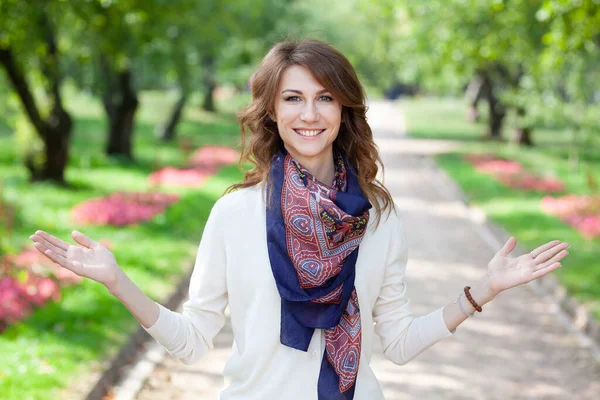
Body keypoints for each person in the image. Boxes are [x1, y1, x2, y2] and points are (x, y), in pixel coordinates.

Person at [29, 39, 570, 400]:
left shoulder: (379, 217)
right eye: (292, 98)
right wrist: (117, 280)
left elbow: (399, 343)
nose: (308, 114)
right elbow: (194, 339)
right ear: (272, 111)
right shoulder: (235, 213)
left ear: (344, 111)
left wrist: (485, 291)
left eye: (324, 98)